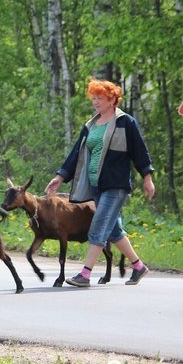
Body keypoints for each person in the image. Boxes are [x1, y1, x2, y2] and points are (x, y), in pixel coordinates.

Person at [45, 78, 155, 287]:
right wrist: (60, 177)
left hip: (116, 184)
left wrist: (147, 178)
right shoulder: (91, 125)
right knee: (113, 230)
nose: (95, 102)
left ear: (112, 99)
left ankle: (85, 274)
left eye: (100, 98)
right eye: (93, 98)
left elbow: (140, 152)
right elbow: (76, 153)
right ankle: (139, 267)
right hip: (96, 185)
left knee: (98, 226)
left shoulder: (125, 123)